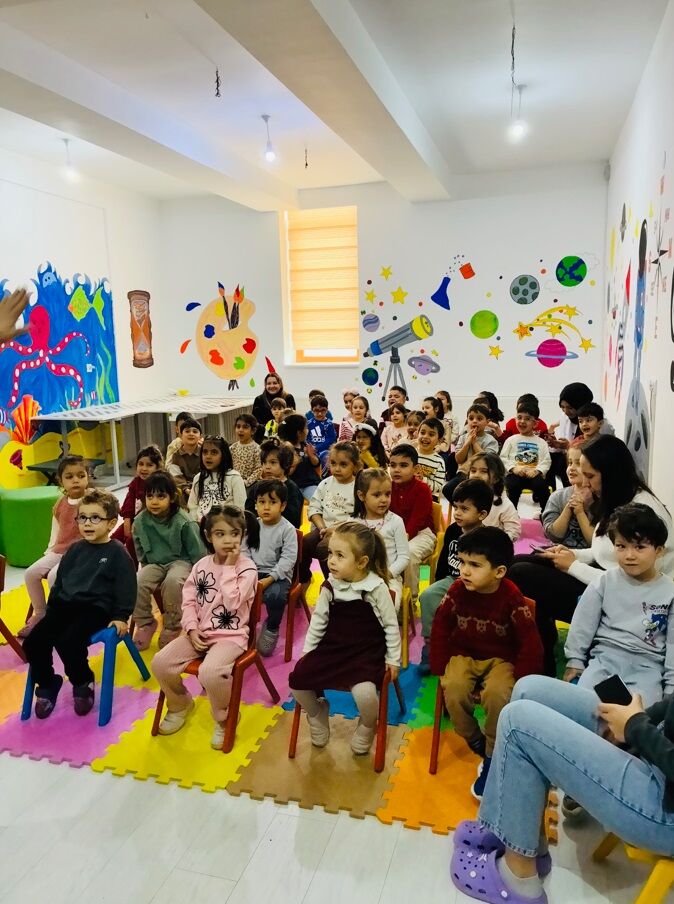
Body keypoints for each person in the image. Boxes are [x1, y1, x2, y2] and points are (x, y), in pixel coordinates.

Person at [450, 675, 674, 904]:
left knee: (516, 722)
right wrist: (640, 721)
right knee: (529, 690)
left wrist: (636, 727)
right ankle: (525, 840)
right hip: (658, 752)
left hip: (665, 805)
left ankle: (518, 879)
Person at [509, 435, 674, 676]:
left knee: (522, 574)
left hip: (628, 600)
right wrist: (571, 554)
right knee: (518, 562)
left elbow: (627, 577)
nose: (585, 483)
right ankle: (540, 649)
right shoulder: (619, 498)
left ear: (611, 474)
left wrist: (573, 566)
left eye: (590, 476)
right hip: (607, 578)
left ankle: (541, 661)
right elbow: (605, 551)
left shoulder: (642, 512)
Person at [431, 527, 543, 798]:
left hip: (500, 659)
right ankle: (476, 740)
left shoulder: (511, 597)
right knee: (453, 688)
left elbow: (529, 641)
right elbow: (440, 626)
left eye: (475, 565)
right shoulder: (457, 590)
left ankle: (493, 755)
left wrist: (523, 680)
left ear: (499, 571)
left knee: (498, 694)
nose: (464, 571)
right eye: (462, 562)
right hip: (464, 654)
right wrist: (439, 665)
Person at [151, 505, 259, 749]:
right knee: (160, 662)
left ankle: (224, 716)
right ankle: (180, 704)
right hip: (199, 633)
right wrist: (191, 628)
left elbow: (233, 603)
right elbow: (188, 601)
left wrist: (229, 567)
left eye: (234, 533)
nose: (228, 540)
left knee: (210, 673)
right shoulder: (200, 565)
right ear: (209, 536)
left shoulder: (247, 569)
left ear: (242, 535)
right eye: (220, 534)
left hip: (231, 637)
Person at [289, 521, 400, 754]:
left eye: (340, 556)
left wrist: (393, 659)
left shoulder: (376, 587)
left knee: (365, 695)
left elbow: (391, 626)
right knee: (297, 681)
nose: (331, 561)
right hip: (332, 649)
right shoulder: (330, 586)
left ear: (361, 562)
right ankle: (317, 712)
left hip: (366, 654)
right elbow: (318, 622)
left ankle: (367, 724)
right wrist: (307, 652)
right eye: (330, 553)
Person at [22, 489, 136, 718]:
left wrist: (121, 616)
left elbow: (127, 587)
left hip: (95, 609)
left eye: (95, 518)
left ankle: (82, 681)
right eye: (82, 518)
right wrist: (51, 610)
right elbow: (60, 581)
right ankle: (48, 683)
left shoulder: (117, 553)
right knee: (33, 642)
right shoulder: (75, 549)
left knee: (69, 641)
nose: (87, 523)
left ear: (111, 523)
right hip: (64, 607)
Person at [564, 504, 674, 706]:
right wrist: (575, 660)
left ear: (659, 551)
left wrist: (671, 687)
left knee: (642, 716)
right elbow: (583, 623)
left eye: (639, 547)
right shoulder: (604, 581)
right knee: (586, 708)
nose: (629, 555)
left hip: (648, 668)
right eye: (621, 546)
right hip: (604, 659)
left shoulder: (670, 592)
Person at [418, 479, 493, 674]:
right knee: (428, 596)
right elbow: (444, 560)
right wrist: (438, 583)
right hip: (451, 580)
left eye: (464, 509)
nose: (457, 513)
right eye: (456, 507)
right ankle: (430, 645)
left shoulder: (487, 538)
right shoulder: (452, 530)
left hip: (476, 585)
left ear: (482, 514)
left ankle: (471, 650)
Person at [132, 470, 204, 650]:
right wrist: (146, 569)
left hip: (181, 561)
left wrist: (200, 578)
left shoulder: (183, 521)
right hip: (155, 563)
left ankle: (172, 626)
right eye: (150, 496)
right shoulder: (140, 521)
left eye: (161, 496)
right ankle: (146, 623)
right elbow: (140, 547)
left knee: (172, 581)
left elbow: (198, 552)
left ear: (172, 498)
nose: (154, 501)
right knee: (137, 581)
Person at [21, 454, 89, 638]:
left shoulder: (91, 500)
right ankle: (40, 613)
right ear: (61, 481)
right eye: (69, 477)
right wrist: (49, 553)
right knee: (30, 573)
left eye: (81, 475)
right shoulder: (60, 503)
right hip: (60, 550)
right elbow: (56, 529)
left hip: (82, 553)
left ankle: (60, 617)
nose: (76, 480)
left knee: (54, 576)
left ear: (88, 476)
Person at [299, 442, 361, 591]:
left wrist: (335, 529)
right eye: (333, 463)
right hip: (324, 529)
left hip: (347, 532)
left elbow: (360, 516)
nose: (337, 468)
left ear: (355, 466)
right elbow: (314, 507)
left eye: (343, 464)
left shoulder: (358, 487)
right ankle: (303, 580)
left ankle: (333, 584)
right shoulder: (325, 483)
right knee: (303, 543)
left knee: (324, 548)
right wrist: (322, 527)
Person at [247, 480, 298, 657]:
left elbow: (288, 559)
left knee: (275, 596)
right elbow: (244, 551)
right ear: (255, 504)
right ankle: (241, 627)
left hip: (279, 575)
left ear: (282, 506)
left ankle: (272, 627)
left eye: (272, 502)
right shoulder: (252, 526)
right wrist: (249, 573)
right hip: (253, 572)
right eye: (262, 502)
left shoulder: (287, 530)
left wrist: (270, 578)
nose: (266, 507)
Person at [353, 467, 409, 608]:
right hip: (359, 578)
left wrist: (387, 574)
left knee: (387, 605)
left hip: (389, 579)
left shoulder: (396, 521)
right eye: (377, 495)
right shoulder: (354, 523)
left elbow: (404, 557)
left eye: (387, 494)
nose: (384, 500)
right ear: (361, 496)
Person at [389, 443, 436, 605]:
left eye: (403, 465)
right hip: (395, 532)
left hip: (423, 533)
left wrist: (399, 542)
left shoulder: (422, 489)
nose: (396, 470)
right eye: (393, 465)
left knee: (408, 553)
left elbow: (417, 521)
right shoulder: (388, 487)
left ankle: (409, 601)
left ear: (415, 469)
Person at [111, 444, 163, 566]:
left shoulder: (160, 483)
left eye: (149, 465)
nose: (144, 468)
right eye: (141, 464)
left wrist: (132, 529)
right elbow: (128, 504)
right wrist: (127, 523)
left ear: (158, 467)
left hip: (149, 523)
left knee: (131, 542)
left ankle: (132, 569)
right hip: (133, 520)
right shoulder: (135, 483)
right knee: (113, 541)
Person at [500, 403, 552, 510]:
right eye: (519, 417)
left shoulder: (541, 442)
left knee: (541, 486)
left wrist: (538, 471)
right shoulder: (511, 440)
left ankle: (546, 513)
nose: (522, 421)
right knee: (512, 486)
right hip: (515, 474)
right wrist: (514, 468)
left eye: (527, 419)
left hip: (534, 474)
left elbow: (546, 460)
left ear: (535, 424)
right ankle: (511, 513)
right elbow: (503, 458)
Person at [541, 444, 594, 548]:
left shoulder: (600, 499)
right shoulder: (557, 496)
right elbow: (552, 536)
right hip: (559, 552)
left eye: (578, 463)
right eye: (570, 463)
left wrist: (580, 512)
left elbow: (597, 544)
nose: (572, 468)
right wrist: (569, 507)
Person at [444, 403, 500, 500]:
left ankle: (474, 506)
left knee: (481, 494)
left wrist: (474, 443)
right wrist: (467, 443)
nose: (474, 421)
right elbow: (458, 459)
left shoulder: (491, 441)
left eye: (479, 419)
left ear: (487, 422)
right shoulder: (463, 438)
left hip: (483, 476)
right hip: (464, 474)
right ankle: (463, 506)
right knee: (447, 489)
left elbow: (487, 460)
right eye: (471, 418)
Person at [246, 438, 303, 529]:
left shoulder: (292, 489)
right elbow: (249, 514)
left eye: (273, 462)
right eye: (264, 462)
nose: (267, 467)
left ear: (285, 464)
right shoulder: (256, 487)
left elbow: (294, 520)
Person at [187, 435, 246, 521]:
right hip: (200, 525)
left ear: (223, 455)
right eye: (205, 452)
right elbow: (192, 507)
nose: (208, 456)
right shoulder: (198, 478)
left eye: (214, 452)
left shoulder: (234, 477)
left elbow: (240, 508)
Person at [468, 452, 521, 541]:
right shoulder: (466, 497)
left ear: (496, 478)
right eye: (473, 471)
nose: (476, 475)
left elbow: (514, 532)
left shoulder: (504, 504)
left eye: (484, 471)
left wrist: (494, 542)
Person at [278, 413, 321, 501]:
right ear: (299, 433)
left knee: (317, 500)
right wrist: (295, 463)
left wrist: (311, 456)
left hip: (310, 484)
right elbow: (286, 473)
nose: (307, 430)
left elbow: (316, 464)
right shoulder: (286, 448)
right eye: (306, 428)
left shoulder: (305, 445)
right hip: (294, 485)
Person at [252, 372, 296, 442]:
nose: (272, 386)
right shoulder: (259, 399)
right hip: (263, 439)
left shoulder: (288, 398)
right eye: (269, 383)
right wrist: (269, 429)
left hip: (284, 438)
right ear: (265, 385)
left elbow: (292, 420)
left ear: (280, 384)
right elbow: (255, 422)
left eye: (275, 383)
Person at [167, 417, 203, 493]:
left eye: (195, 431)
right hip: (183, 493)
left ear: (200, 436)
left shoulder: (204, 453)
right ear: (180, 435)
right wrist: (186, 489)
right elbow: (176, 477)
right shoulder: (175, 456)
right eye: (187, 431)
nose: (191, 434)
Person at [414, 417, 446, 496]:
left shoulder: (439, 462)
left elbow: (438, 486)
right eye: (422, 433)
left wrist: (423, 480)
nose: (425, 436)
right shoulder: (410, 454)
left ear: (439, 440)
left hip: (428, 497)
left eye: (431, 434)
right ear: (417, 434)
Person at [306, 394, 338, 471]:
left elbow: (331, 438)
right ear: (312, 410)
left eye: (323, 410)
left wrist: (317, 447)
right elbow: (306, 437)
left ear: (327, 410)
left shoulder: (329, 424)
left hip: (324, 451)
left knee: (326, 455)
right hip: (310, 451)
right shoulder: (308, 423)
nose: (320, 413)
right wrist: (309, 447)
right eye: (316, 410)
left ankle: (322, 475)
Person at [230, 414, 262, 487]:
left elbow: (259, 470)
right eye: (238, 426)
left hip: (250, 486)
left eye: (245, 427)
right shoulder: (232, 448)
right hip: (233, 484)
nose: (240, 430)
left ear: (253, 431)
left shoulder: (257, 449)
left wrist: (246, 483)